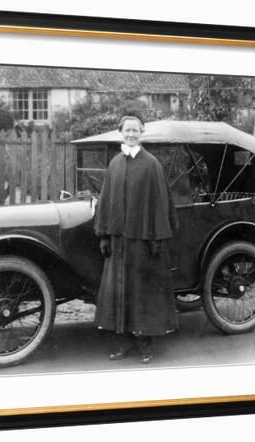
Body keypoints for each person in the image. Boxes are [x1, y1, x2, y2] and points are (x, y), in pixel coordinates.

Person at [93, 115, 179, 364]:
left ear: (142, 132)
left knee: (142, 294)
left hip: (142, 243)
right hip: (119, 244)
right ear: (121, 132)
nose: (131, 134)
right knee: (119, 294)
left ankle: (145, 344)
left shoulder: (151, 165)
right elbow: (106, 201)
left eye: (135, 130)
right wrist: (104, 235)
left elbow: (160, 203)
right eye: (127, 130)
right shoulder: (115, 164)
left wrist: (156, 239)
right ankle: (123, 343)